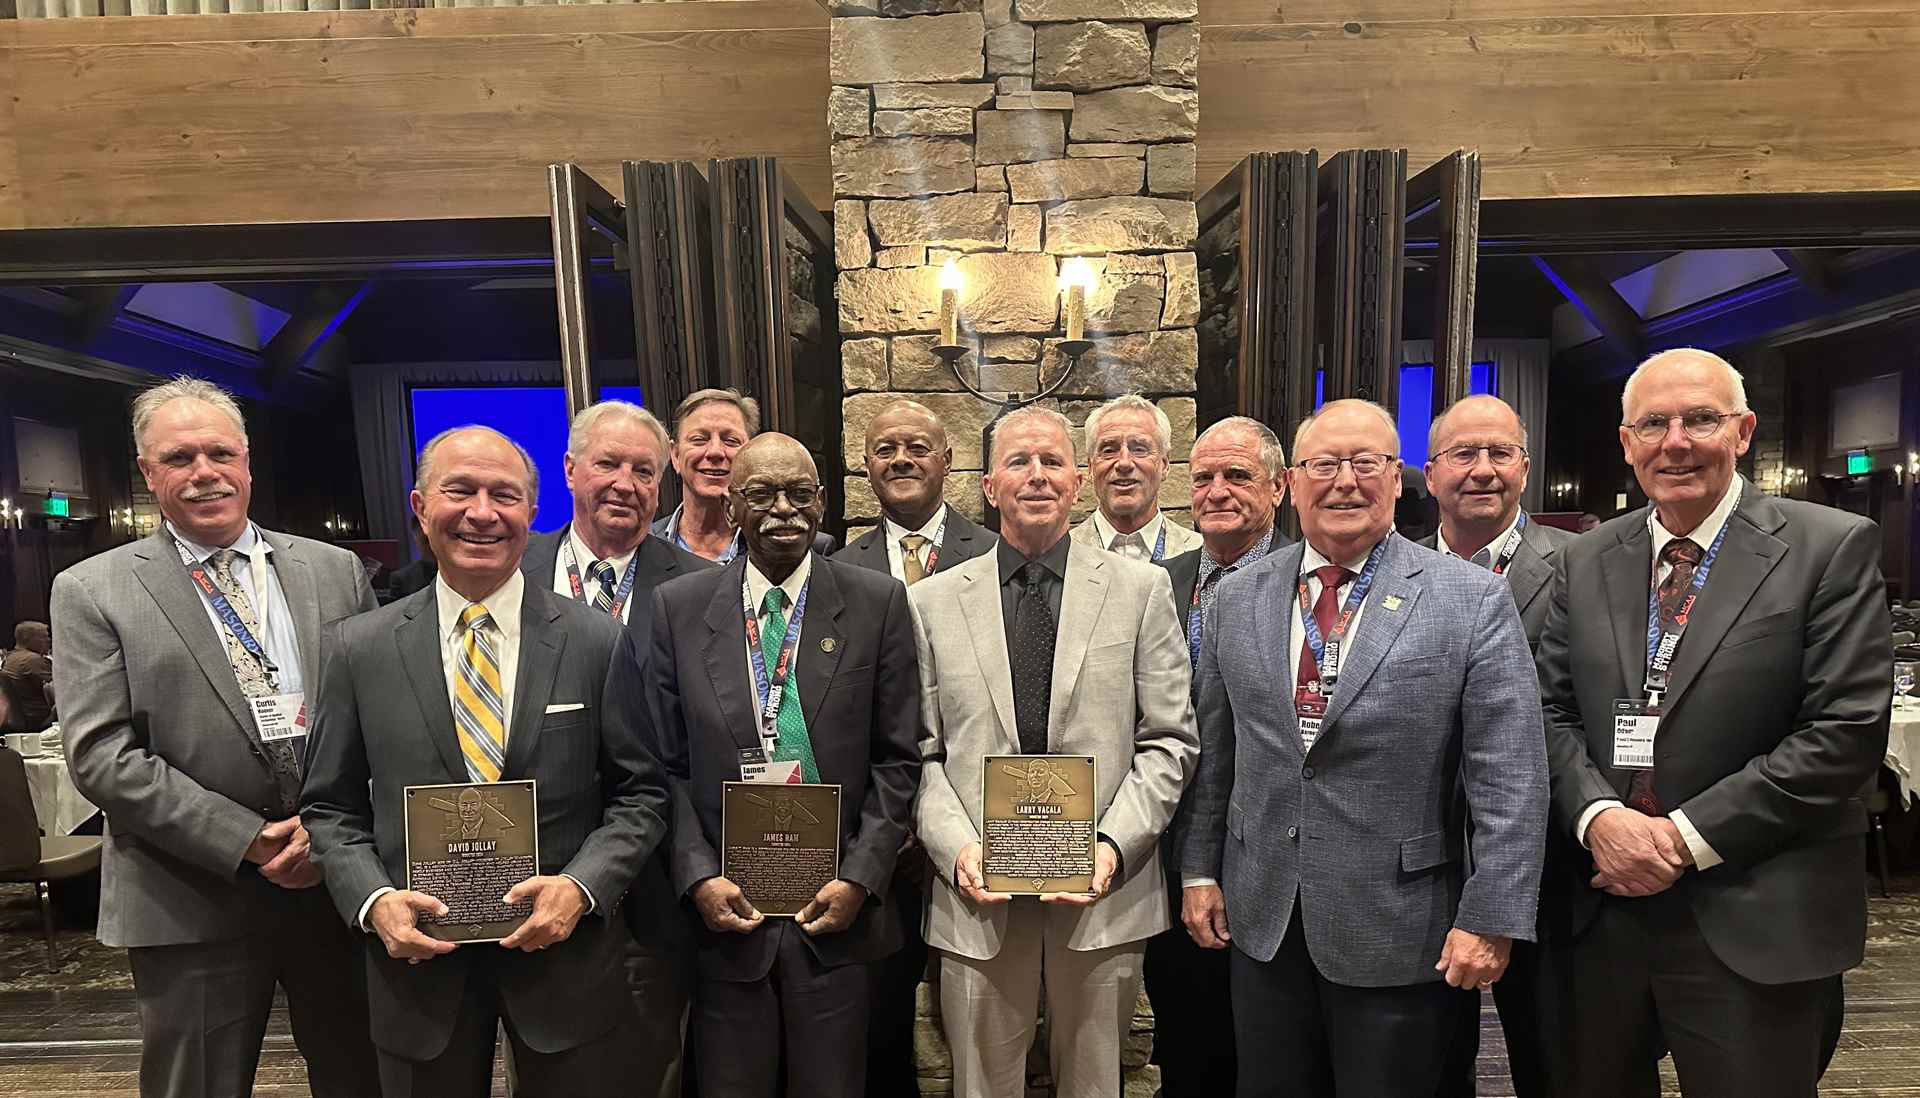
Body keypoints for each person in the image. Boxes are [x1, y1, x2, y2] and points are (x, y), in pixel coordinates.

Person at [1537, 348, 1890, 1098]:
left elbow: (1844, 732)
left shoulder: (1829, 546)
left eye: (1700, 419)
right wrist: (1599, 817)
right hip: (1599, 909)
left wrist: (1679, 839)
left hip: (1754, 907)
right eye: (1653, 424)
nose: (1676, 442)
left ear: (1743, 431)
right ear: (1626, 442)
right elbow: (1547, 710)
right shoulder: (1586, 559)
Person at [1179, 398, 1546, 1097]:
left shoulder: (1470, 598)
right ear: (1292, 482)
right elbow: (1217, 752)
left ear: (1398, 477)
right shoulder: (1236, 596)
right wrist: (1198, 869)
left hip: (1401, 928)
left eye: (1365, 463)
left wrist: (1491, 915)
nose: (1344, 481)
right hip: (1264, 920)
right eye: (1324, 464)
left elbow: (1510, 775)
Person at [302, 425, 668, 1097]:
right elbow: (329, 805)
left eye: (504, 495)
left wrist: (582, 887)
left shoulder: (596, 640)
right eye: (460, 491)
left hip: (564, 964)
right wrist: (373, 901)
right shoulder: (359, 649)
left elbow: (640, 794)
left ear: (532, 512)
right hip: (417, 965)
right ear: (420, 507)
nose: (481, 513)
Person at [52, 377, 380, 1098]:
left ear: (247, 461)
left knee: (363, 1076)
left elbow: (375, 719)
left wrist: (329, 832)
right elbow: (101, 755)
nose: (204, 472)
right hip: (189, 894)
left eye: (219, 453)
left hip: (335, 883)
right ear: (148, 472)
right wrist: (247, 839)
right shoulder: (93, 589)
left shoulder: (334, 571)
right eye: (179, 458)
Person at [909, 405, 1197, 1098]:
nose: (1036, 475)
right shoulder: (932, 602)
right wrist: (956, 848)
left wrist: (1112, 846)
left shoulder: (1142, 590)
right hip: (977, 896)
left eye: (1051, 462)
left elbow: (1169, 740)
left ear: (1077, 481)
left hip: (1102, 894)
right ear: (988, 486)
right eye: (1018, 461)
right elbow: (920, 753)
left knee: (1095, 1087)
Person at [646, 432, 922, 1097]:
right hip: (725, 915)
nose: (783, 510)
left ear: (822, 502)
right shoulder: (679, 608)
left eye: (799, 493)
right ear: (731, 505)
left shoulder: (877, 602)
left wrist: (860, 877)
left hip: (838, 916)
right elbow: (663, 764)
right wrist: (698, 876)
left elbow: (899, 758)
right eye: (763, 493)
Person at [519, 398, 712, 1097]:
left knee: (656, 1057)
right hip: (534, 864)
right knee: (545, 1060)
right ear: (571, 470)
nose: (625, 484)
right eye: (608, 464)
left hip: (658, 870)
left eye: (644, 471)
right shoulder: (511, 567)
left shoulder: (702, 585)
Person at [832, 398, 994, 1098]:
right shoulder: (837, 566)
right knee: (881, 1015)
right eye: (885, 448)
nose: (901, 458)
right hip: (882, 840)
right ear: (865, 465)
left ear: (948, 460)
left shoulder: (994, 554)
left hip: (978, 826)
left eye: (918, 446)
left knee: (989, 1020)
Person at [1420, 394, 1576, 1098]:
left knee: (1556, 1062)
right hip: (1420, 866)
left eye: (1500, 453)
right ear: (1431, 475)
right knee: (1429, 1067)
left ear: (1525, 467)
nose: (1482, 469)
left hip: (1549, 866)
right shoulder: (1390, 571)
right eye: (1463, 454)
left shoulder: (1582, 566)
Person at [1147, 416, 1290, 1098]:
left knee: (1268, 1052)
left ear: (1278, 488)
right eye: (1203, 477)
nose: (1217, 491)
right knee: (1186, 1041)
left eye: (1238, 476)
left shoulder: (1307, 581)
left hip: (1270, 852)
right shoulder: (1157, 584)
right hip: (1164, 848)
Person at [653, 388, 834, 563]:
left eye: (731, 440)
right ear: (675, 455)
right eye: (699, 439)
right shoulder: (646, 544)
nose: (715, 452)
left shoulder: (805, 545)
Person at [1069, 394, 1203, 561]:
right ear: (1090, 467)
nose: (1124, 463)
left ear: (1165, 464)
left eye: (1139, 449)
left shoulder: (1201, 553)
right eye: (1109, 450)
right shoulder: (1062, 555)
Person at [1, 621, 54, 733]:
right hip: (38, 717)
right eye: (44, 636)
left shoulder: (10, 657)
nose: (49, 640)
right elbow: (60, 688)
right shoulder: (31, 660)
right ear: (28, 638)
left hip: (20, 716)